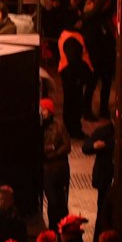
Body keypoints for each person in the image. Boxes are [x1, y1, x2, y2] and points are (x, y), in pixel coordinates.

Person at [40, 97, 73, 230]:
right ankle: (53, 228)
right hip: (47, 170)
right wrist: (51, 148)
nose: (42, 112)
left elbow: (67, 146)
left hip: (60, 168)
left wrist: (51, 151)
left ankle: (62, 227)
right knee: (52, 201)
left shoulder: (58, 125)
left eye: (44, 110)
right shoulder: (40, 127)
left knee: (62, 202)